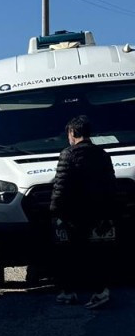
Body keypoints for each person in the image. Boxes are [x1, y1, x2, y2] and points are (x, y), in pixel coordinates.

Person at [50, 115, 118, 309]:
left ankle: (69, 292)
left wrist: (55, 211)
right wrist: (111, 212)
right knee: (97, 255)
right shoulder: (102, 154)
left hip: (74, 214)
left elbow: (61, 187)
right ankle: (100, 291)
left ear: (72, 133)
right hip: (99, 212)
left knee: (70, 255)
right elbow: (111, 185)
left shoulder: (68, 154)